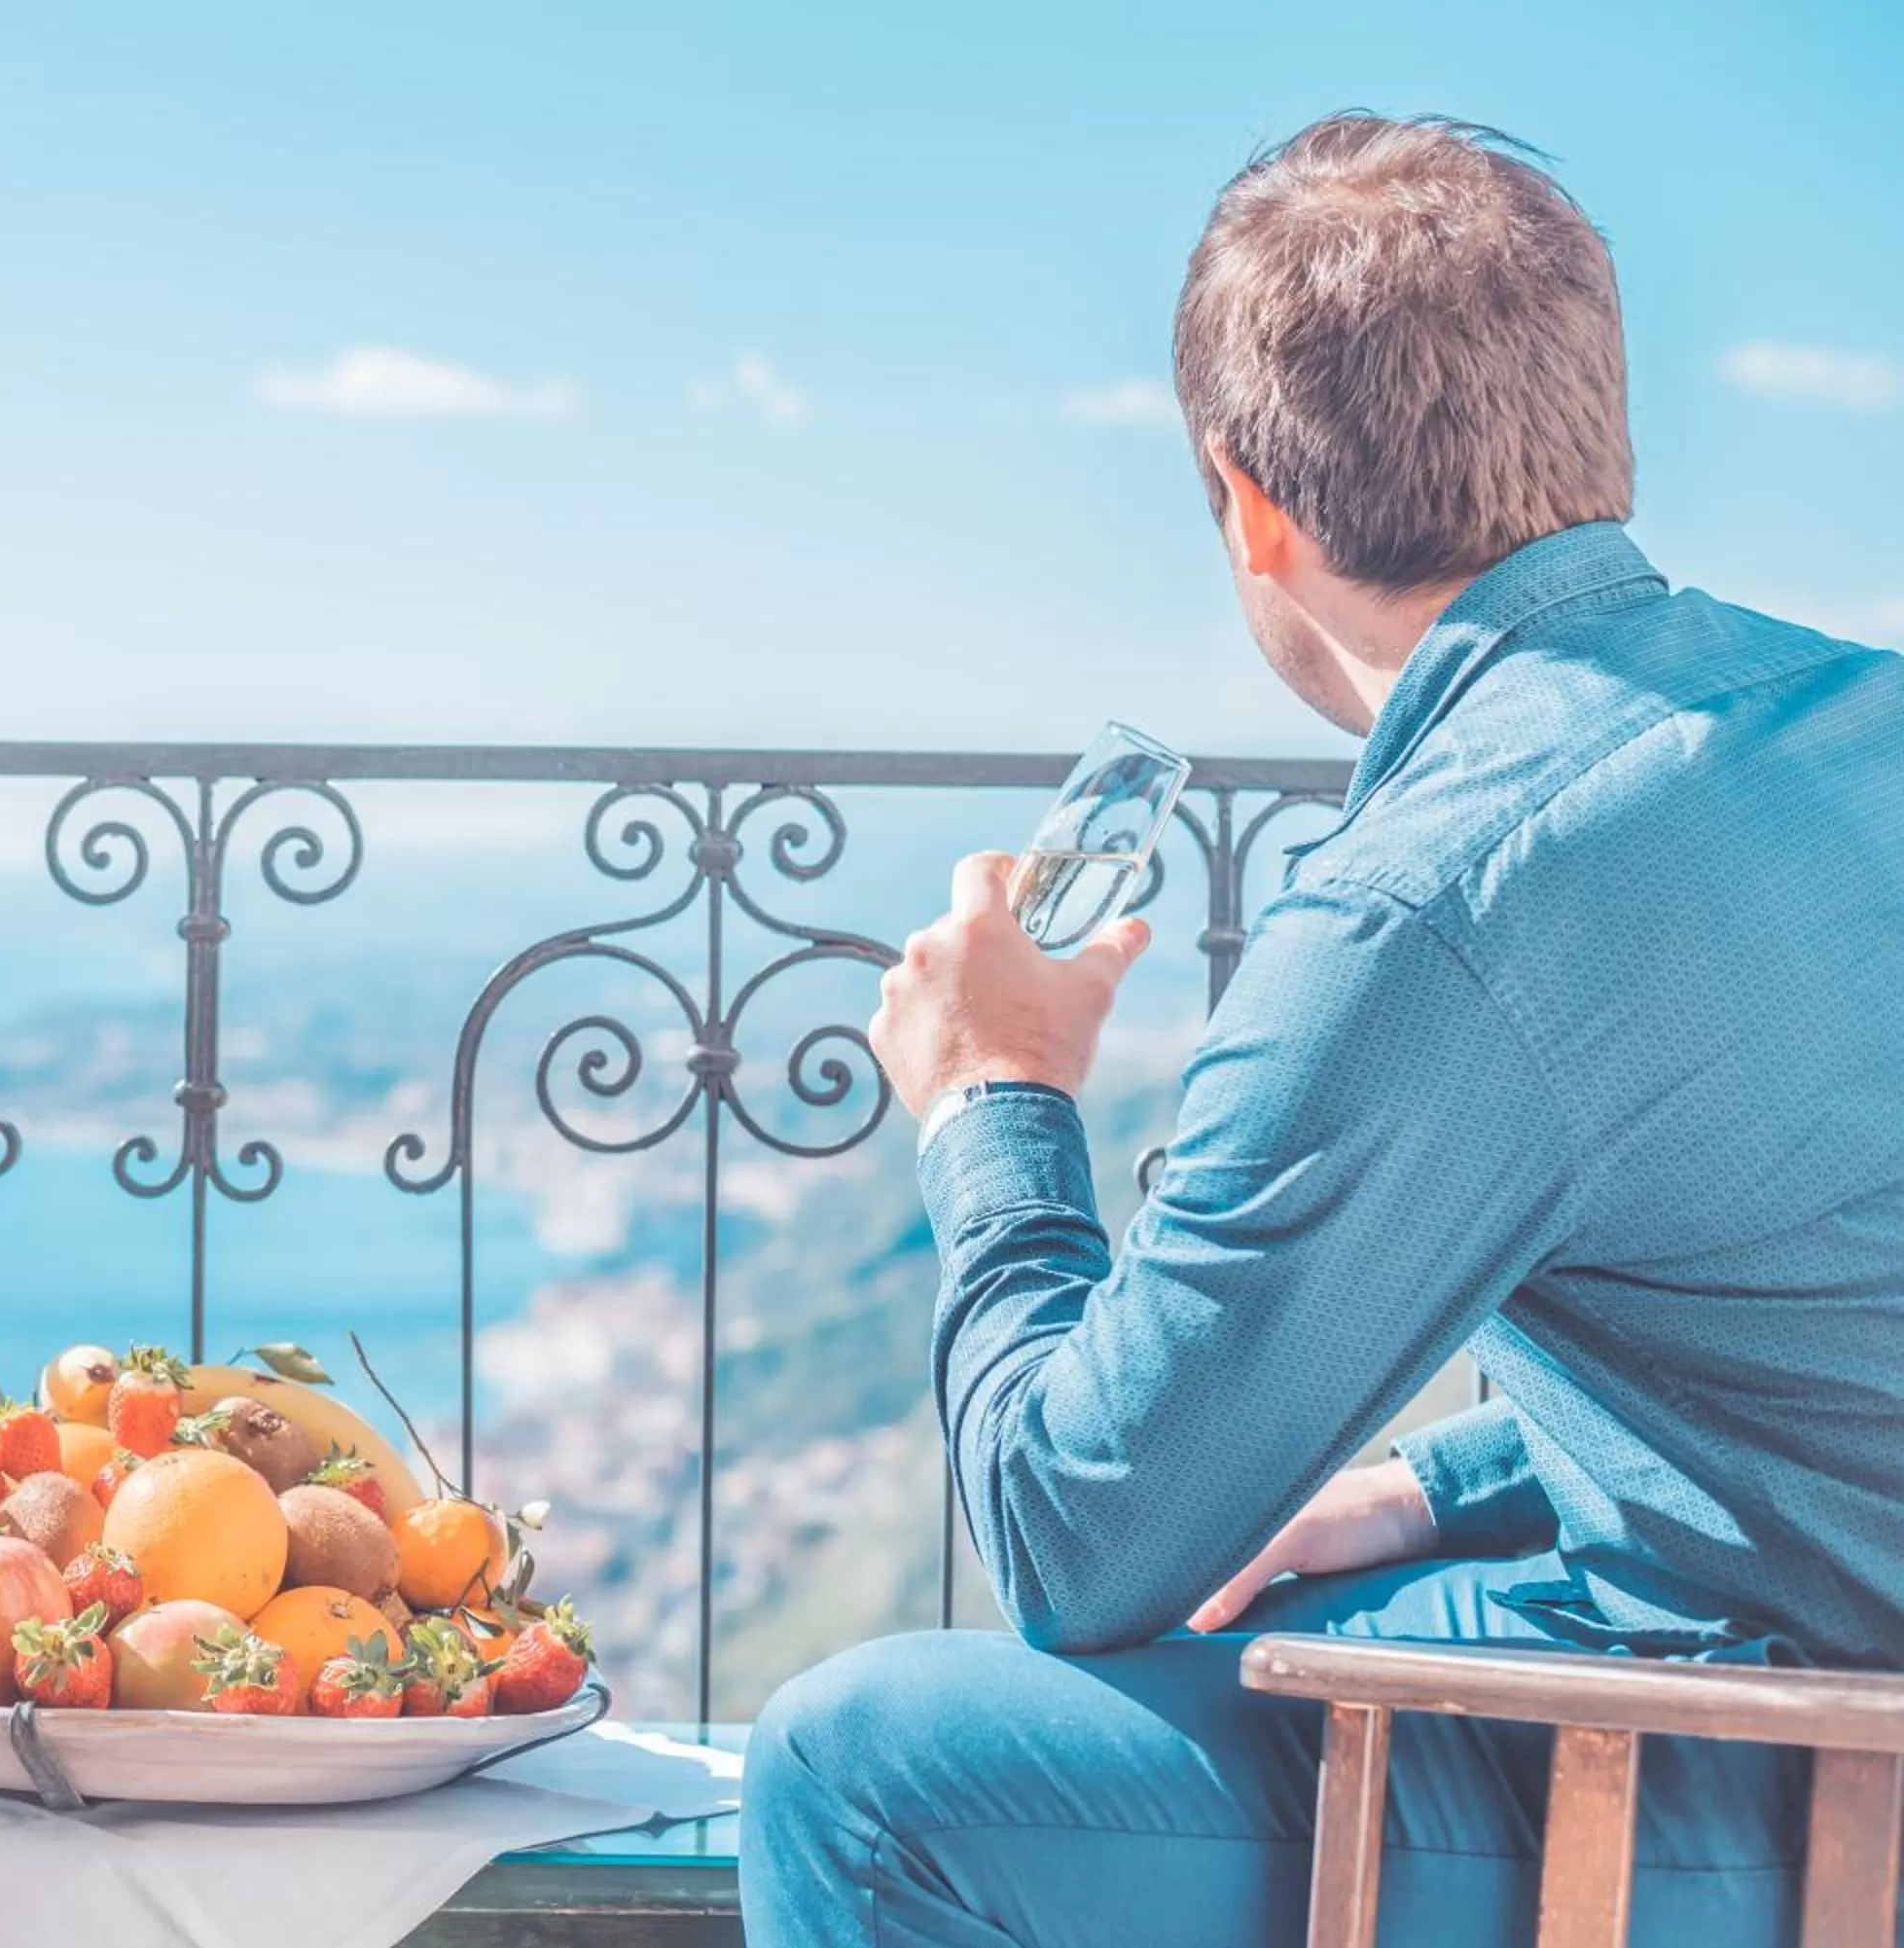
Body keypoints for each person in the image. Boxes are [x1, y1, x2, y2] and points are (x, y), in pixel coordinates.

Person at [742, 113, 1904, 1947]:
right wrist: (1435, 1484)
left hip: (1814, 1779)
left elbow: (1069, 1535)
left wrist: (994, 1095)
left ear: (1249, 501)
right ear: (1605, 426)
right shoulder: (1862, 723)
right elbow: (1835, 1319)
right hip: (1813, 1652)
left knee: (857, 1769)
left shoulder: (1429, 904)